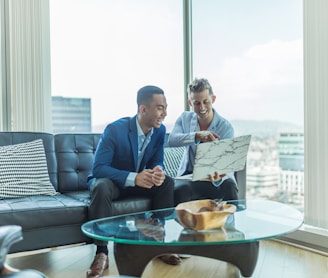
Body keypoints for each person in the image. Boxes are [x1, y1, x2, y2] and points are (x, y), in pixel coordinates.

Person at [86, 85, 177, 278]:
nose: (165, 113)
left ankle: (158, 242)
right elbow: (99, 168)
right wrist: (133, 177)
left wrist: (159, 171)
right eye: (160, 108)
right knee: (101, 186)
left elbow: (157, 160)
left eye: (165, 107)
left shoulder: (159, 132)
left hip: (140, 183)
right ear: (143, 109)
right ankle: (101, 253)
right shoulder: (115, 129)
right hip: (114, 184)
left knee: (166, 182)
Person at [167, 77, 239, 205]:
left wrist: (217, 178)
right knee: (179, 190)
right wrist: (197, 136)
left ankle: (230, 224)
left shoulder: (225, 127)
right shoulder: (185, 119)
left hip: (216, 179)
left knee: (230, 186)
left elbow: (227, 164)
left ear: (213, 99)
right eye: (197, 103)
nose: (202, 107)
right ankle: (184, 224)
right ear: (190, 102)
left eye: (206, 101)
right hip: (190, 178)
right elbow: (172, 140)